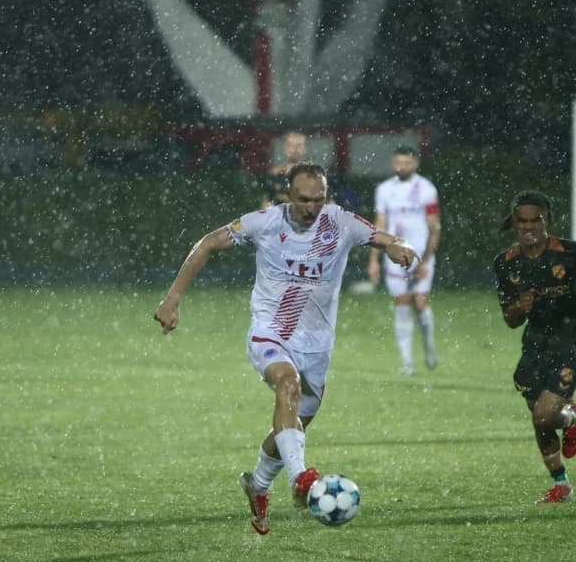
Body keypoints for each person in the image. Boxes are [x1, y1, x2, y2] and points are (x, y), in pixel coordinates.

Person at [154, 162, 417, 535]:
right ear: (289, 194)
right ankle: (301, 479)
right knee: (287, 385)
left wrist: (401, 248)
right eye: (304, 199)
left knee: (293, 425)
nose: (312, 207)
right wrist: (173, 298)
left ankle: (258, 484)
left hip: (317, 347)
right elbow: (209, 242)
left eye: (319, 199)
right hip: (270, 334)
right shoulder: (265, 223)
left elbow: (388, 239)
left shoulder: (341, 222)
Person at [495, 191, 576, 503]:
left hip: (573, 338)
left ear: (547, 222)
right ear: (513, 223)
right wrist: (521, 306)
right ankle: (562, 482)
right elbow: (511, 320)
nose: (528, 227)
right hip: (536, 342)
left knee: (544, 415)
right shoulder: (506, 263)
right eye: (522, 221)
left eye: (536, 220)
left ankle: (569, 421)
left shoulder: (570, 252)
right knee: (539, 416)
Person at [367, 146, 442, 375]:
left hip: (420, 254)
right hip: (395, 254)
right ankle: (407, 364)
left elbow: (435, 226)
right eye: (398, 162)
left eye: (406, 163)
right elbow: (380, 224)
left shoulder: (426, 189)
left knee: (420, 303)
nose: (401, 167)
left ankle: (429, 346)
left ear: (415, 164)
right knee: (401, 304)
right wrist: (374, 259)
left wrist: (426, 260)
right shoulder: (384, 190)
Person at [259, 130, 307, 209]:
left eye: (299, 145)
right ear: (285, 148)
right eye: (291, 145)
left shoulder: (314, 175)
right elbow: (267, 201)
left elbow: (325, 204)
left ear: (304, 149)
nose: (294, 149)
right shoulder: (275, 174)